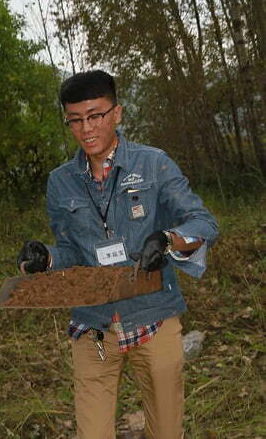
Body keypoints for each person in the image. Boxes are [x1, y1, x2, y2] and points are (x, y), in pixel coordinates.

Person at [17, 70, 218, 439]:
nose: (86, 128)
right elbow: (71, 254)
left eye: (96, 115)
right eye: (75, 120)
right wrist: (45, 259)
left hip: (153, 316)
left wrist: (169, 239)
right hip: (93, 325)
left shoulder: (153, 164)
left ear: (117, 113)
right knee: (92, 431)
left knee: (167, 428)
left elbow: (203, 224)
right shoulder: (60, 182)